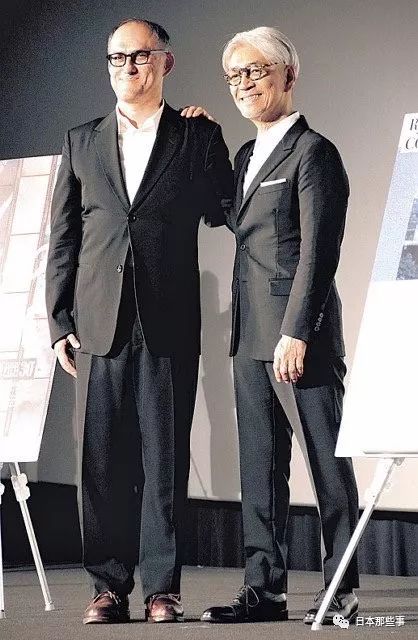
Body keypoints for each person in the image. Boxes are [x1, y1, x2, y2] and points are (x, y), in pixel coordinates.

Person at [45, 18, 231, 624]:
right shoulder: (81, 140)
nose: (128, 66)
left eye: (140, 55)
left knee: (164, 460)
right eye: (117, 58)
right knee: (99, 462)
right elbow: (64, 240)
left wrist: (213, 142)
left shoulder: (196, 136)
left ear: (165, 63)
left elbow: (222, 208)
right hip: (98, 325)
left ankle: (161, 589)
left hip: (168, 322)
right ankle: (107, 587)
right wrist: (58, 322)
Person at [201, 26, 359, 625]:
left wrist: (298, 331)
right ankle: (263, 590)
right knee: (260, 469)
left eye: (255, 71)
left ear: (288, 74)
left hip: (299, 337)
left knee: (327, 466)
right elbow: (226, 213)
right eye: (234, 76)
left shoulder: (315, 152)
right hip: (248, 336)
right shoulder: (246, 155)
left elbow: (320, 252)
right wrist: (205, 138)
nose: (243, 84)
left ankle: (340, 591)